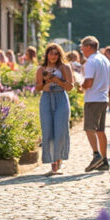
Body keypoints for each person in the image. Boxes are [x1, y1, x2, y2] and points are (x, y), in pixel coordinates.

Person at [35, 43, 73, 175]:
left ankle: (59, 159)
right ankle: (53, 163)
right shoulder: (41, 69)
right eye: (51, 53)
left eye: (56, 53)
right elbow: (38, 88)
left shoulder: (64, 67)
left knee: (61, 130)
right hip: (46, 99)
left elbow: (70, 87)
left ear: (60, 55)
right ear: (47, 55)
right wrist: (45, 81)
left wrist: (56, 79)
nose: (53, 56)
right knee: (47, 131)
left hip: (61, 98)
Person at [81, 36, 110, 172]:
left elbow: (88, 82)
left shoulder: (91, 61)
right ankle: (104, 160)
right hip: (103, 97)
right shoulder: (105, 59)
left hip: (93, 98)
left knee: (89, 128)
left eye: (82, 46)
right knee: (100, 130)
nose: (81, 49)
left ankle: (96, 155)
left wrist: (80, 87)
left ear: (89, 46)